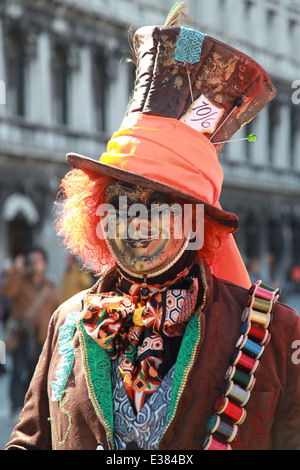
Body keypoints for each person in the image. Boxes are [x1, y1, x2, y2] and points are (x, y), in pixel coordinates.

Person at [5, 3, 300, 451]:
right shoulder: (66, 322)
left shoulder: (275, 334)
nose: (134, 223)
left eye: (159, 205)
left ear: (196, 218)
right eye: (120, 203)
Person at [1, 248, 61, 420]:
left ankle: (33, 409)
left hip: (42, 339)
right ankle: (16, 407)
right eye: (31, 260)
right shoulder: (20, 280)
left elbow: (58, 308)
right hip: (22, 338)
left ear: (45, 264)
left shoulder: (50, 286)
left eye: (38, 260)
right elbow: (7, 292)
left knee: (37, 375)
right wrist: (17, 269)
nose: (34, 264)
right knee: (18, 373)